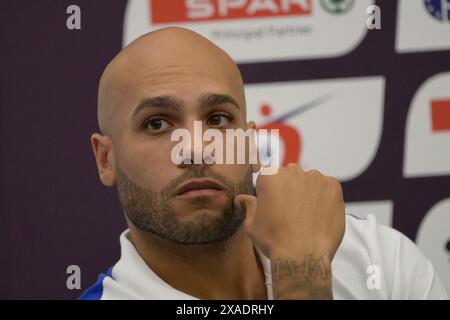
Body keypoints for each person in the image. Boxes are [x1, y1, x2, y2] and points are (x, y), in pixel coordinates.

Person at [80, 27, 447, 300]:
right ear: (106, 159)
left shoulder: (377, 258)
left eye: (219, 120)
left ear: (251, 145)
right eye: (157, 123)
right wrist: (301, 273)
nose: (196, 150)